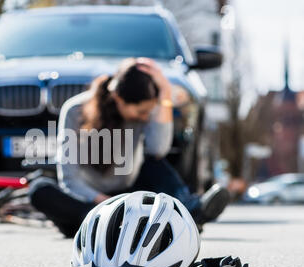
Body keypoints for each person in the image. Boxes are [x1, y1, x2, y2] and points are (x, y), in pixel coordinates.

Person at [29, 57, 230, 238]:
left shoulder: (145, 112)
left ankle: (188, 210)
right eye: (141, 111)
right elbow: (69, 179)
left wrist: (165, 95)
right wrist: (110, 206)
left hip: (128, 194)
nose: (145, 117)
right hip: (89, 204)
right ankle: (113, 222)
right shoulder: (74, 110)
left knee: (155, 165)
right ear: (118, 98)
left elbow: (158, 150)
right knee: (40, 189)